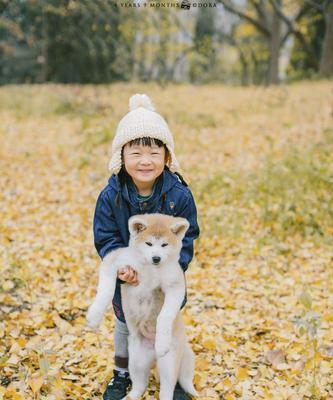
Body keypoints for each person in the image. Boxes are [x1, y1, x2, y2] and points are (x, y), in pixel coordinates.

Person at [93, 93, 200, 400]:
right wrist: (120, 265)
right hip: (129, 283)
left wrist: (173, 268)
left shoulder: (178, 195)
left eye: (154, 152)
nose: (144, 161)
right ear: (121, 156)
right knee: (126, 326)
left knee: (170, 326)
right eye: (135, 152)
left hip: (165, 278)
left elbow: (188, 235)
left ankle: (177, 377)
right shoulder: (111, 196)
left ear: (166, 156)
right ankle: (122, 373)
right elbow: (106, 237)